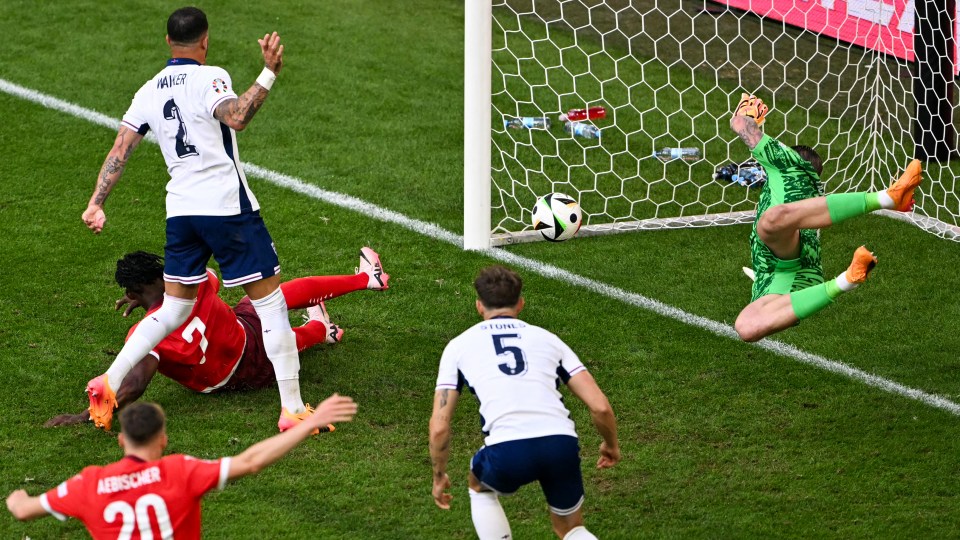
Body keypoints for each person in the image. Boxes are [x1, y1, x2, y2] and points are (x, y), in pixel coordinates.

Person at [79, 8, 369, 431]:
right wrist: (268, 72)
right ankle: (292, 409)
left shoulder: (148, 91)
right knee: (270, 306)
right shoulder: (210, 76)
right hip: (226, 207)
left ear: (167, 42)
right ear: (205, 40)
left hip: (181, 211)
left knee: (173, 309)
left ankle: (110, 379)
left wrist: (96, 203)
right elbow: (236, 116)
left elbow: (121, 149)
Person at [46, 248, 386, 432]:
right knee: (267, 299)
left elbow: (134, 385)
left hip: (231, 380)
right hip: (249, 340)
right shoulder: (196, 281)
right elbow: (202, 283)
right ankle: (363, 280)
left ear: (132, 293)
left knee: (266, 324)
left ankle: (320, 330)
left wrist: (84, 416)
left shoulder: (143, 335)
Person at [429, 265, 620, 540]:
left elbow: (439, 426)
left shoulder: (458, 347)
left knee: (479, 486)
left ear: (479, 306)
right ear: (520, 303)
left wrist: (439, 476)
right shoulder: (549, 340)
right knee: (571, 529)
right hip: (560, 444)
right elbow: (600, 406)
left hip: (508, 449)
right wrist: (610, 445)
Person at [7, 396, 357, 539]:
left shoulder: (88, 485)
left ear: (121, 440)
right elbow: (251, 462)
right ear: (162, 439)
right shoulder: (180, 471)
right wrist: (310, 422)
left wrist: (18, 496)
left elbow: (22, 510)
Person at [729, 93, 922, 342]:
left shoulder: (785, 161)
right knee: (746, 327)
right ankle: (847, 279)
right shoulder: (813, 186)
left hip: (783, 256)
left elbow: (741, 125)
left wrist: (746, 113)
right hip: (788, 275)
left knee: (771, 220)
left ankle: (887, 198)